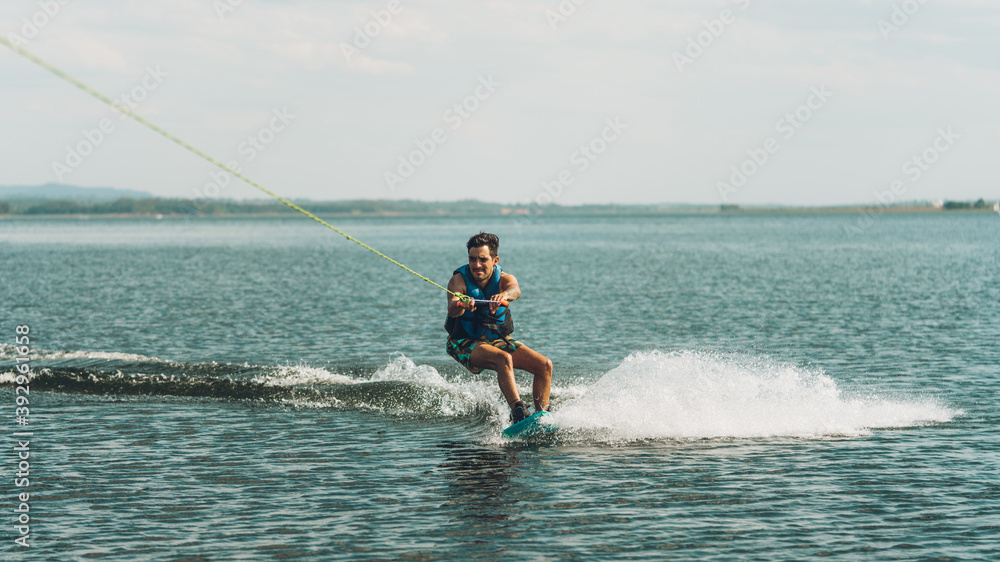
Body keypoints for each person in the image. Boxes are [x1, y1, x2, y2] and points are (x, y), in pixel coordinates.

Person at [445, 232, 552, 423]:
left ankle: (543, 417)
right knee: (503, 358)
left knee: (544, 365)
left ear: (495, 260)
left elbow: (515, 290)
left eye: (483, 259)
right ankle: (518, 413)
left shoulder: (504, 279)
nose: (476, 265)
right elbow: (453, 308)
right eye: (472, 259)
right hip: (463, 343)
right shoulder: (458, 281)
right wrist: (462, 303)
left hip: (494, 339)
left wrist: (504, 295)